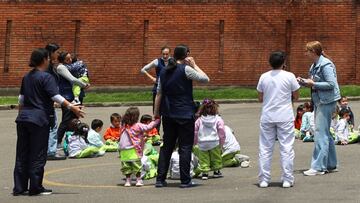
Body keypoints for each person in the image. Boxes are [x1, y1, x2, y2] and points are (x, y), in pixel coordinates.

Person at [13, 48, 84, 196]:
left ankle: (19, 188)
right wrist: (72, 107)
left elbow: (21, 99)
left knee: (22, 153)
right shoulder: (46, 77)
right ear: (44, 60)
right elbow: (55, 96)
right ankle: (35, 187)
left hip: (23, 119)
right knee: (38, 153)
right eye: (48, 58)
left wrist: (22, 116)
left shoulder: (27, 77)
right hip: (39, 119)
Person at [154, 44, 209, 188]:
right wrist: (195, 64)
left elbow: (159, 93)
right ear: (187, 55)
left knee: (167, 146)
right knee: (185, 146)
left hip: (168, 113)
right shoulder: (186, 69)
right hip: (184, 113)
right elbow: (205, 79)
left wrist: (156, 113)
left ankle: (160, 179)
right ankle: (185, 180)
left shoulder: (164, 71)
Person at [257, 51, 300, 188]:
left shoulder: (264, 77)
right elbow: (296, 96)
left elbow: (260, 98)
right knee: (286, 147)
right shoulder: (290, 76)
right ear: (283, 62)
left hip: (268, 115)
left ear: (270, 62)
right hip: (285, 115)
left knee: (265, 148)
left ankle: (264, 179)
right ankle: (287, 179)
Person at [298, 41, 341, 176]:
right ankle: (330, 163)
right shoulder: (314, 65)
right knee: (325, 133)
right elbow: (314, 83)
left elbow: (330, 84)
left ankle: (318, 167)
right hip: (320, 101)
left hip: (326, 101)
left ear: (314, 52)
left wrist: (313, 83)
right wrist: (305, 82)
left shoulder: (325, 64)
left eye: (307, 51)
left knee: (320, 133)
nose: (306, 54)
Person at [119, 107, 160, 187]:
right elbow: (148, 127)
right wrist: (157, 120)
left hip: (123, 150)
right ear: (136, 117)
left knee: (126, 166)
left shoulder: (124, 125)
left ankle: (128, 181)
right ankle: (138, 180)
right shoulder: (137, 125)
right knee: (137, 165)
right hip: (133, 149)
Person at [56, 51, 90, 148]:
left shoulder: (71, 66)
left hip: (76, 96)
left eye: (70, 58)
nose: (70, 60)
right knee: (66, 120)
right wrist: (84, 85)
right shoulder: (61, 67)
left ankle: (71, 140)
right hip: (67, 97)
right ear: (62, 60)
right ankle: (57, 141)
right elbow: (72, 79)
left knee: (75, 120)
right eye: (67, 59)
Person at [194, 98, 225, 180]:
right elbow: (221, 131)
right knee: (216, 157)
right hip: (214, 142)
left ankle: (205, 173)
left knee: (204, 158)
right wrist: (221, 143)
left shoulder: (199, 120)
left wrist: (195, 142)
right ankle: (216, 171)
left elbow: (195, 132)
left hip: (202, 142)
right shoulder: (218, 119)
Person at [45, 43, 66, 161]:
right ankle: (51, 152)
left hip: (50, 99)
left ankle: (47, 150)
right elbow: (48, 84)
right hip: (49, 101)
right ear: (51, 52)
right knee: (52, 126)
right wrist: (53, 98)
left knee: (49, 125)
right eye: (57, 52)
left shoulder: (51, 65)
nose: (58, 54)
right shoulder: (47, 68)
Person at [141, 46, 171, 112]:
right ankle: (156, 120)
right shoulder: (157, 61)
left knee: (168, 108)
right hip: (157, 86)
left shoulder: (173, 61)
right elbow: (143, 70)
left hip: (169, 87)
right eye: (163, 54)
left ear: (170, 53)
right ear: (161, 53)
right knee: (156, 108)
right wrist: (152, 78)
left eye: (167, 54)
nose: (165, 56)